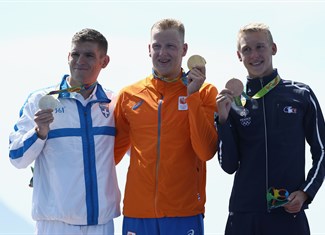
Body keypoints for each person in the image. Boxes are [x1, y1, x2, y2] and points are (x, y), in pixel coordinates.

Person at [216, 22, 325, 235]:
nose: (254, 54)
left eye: (260, 47)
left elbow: (322, 151)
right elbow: (228, 165)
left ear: (273, 48)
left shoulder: (301, 94)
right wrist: (222, 120)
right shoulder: (232, 103)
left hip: (288, 213)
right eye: (247, 49)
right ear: (239, 56)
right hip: (243, 217)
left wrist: (305, 192)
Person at [9, 28, 121, 235]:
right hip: (55, 225)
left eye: (89, 55)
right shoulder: (39, 100)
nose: (80, 61)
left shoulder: (115, 103)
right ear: (68, 56)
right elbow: (16, 157)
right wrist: (39, 132)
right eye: (75, 54)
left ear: (104, 61)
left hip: (102, 224)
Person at [114, 18, 218, 235]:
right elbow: (108, 156)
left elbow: (206, 150)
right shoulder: (128, 96)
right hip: (137, 212)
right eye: (157, 46)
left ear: (184, 49)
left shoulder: (205, 92)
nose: (163, 53)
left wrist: (192, 96)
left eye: (170, 46)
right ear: (148, 49)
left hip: (184, 211)